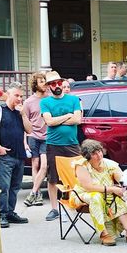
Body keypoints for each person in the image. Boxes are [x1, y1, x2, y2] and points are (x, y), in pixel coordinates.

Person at [71, 139, 127, 246]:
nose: (99, 155)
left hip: (106, 194)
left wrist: (122, 187)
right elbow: (88, 187)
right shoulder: (81, 165)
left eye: (99, 151)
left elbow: (122, 180)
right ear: (87, 156)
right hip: (82, 194)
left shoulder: (110, 164)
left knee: (118, 199)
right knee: (96, 197)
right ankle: (103, 233)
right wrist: (112, 189)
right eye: (94, 153)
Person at [0, 84, 30, 229]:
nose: (19, 99)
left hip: (19, 155)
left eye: (21, 96)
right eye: (16, 95)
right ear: (8, 95)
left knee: (15, 187)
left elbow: (29, 130)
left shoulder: (20, 112)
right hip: (5, 155)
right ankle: (2, 214)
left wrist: (23, 114)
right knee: (4, 186)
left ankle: (10, 212)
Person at [41, 70, 83, 222]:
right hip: (54, 144)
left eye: (59, 82)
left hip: (72, 144)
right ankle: (54, 209)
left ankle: (74, 204)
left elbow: (78, 119)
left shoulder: (73, 99)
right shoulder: (45, 102)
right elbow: (49, 122)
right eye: (53, 83)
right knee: (53, 177)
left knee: (76, 175)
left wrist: (57, 120)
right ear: (48, 87)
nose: (57, 85)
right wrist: (67, 116)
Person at [23, 71, 49, 208]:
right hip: (33, 136)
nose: (44, 83)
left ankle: (33, 192)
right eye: (41, 81)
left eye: (45, 80)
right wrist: (24, 142)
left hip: (47, 137)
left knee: (44, 165)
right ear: (35, 84)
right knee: (35, 164)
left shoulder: (49, 99)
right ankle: (37, 193)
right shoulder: (28, 102)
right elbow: (25, 122)